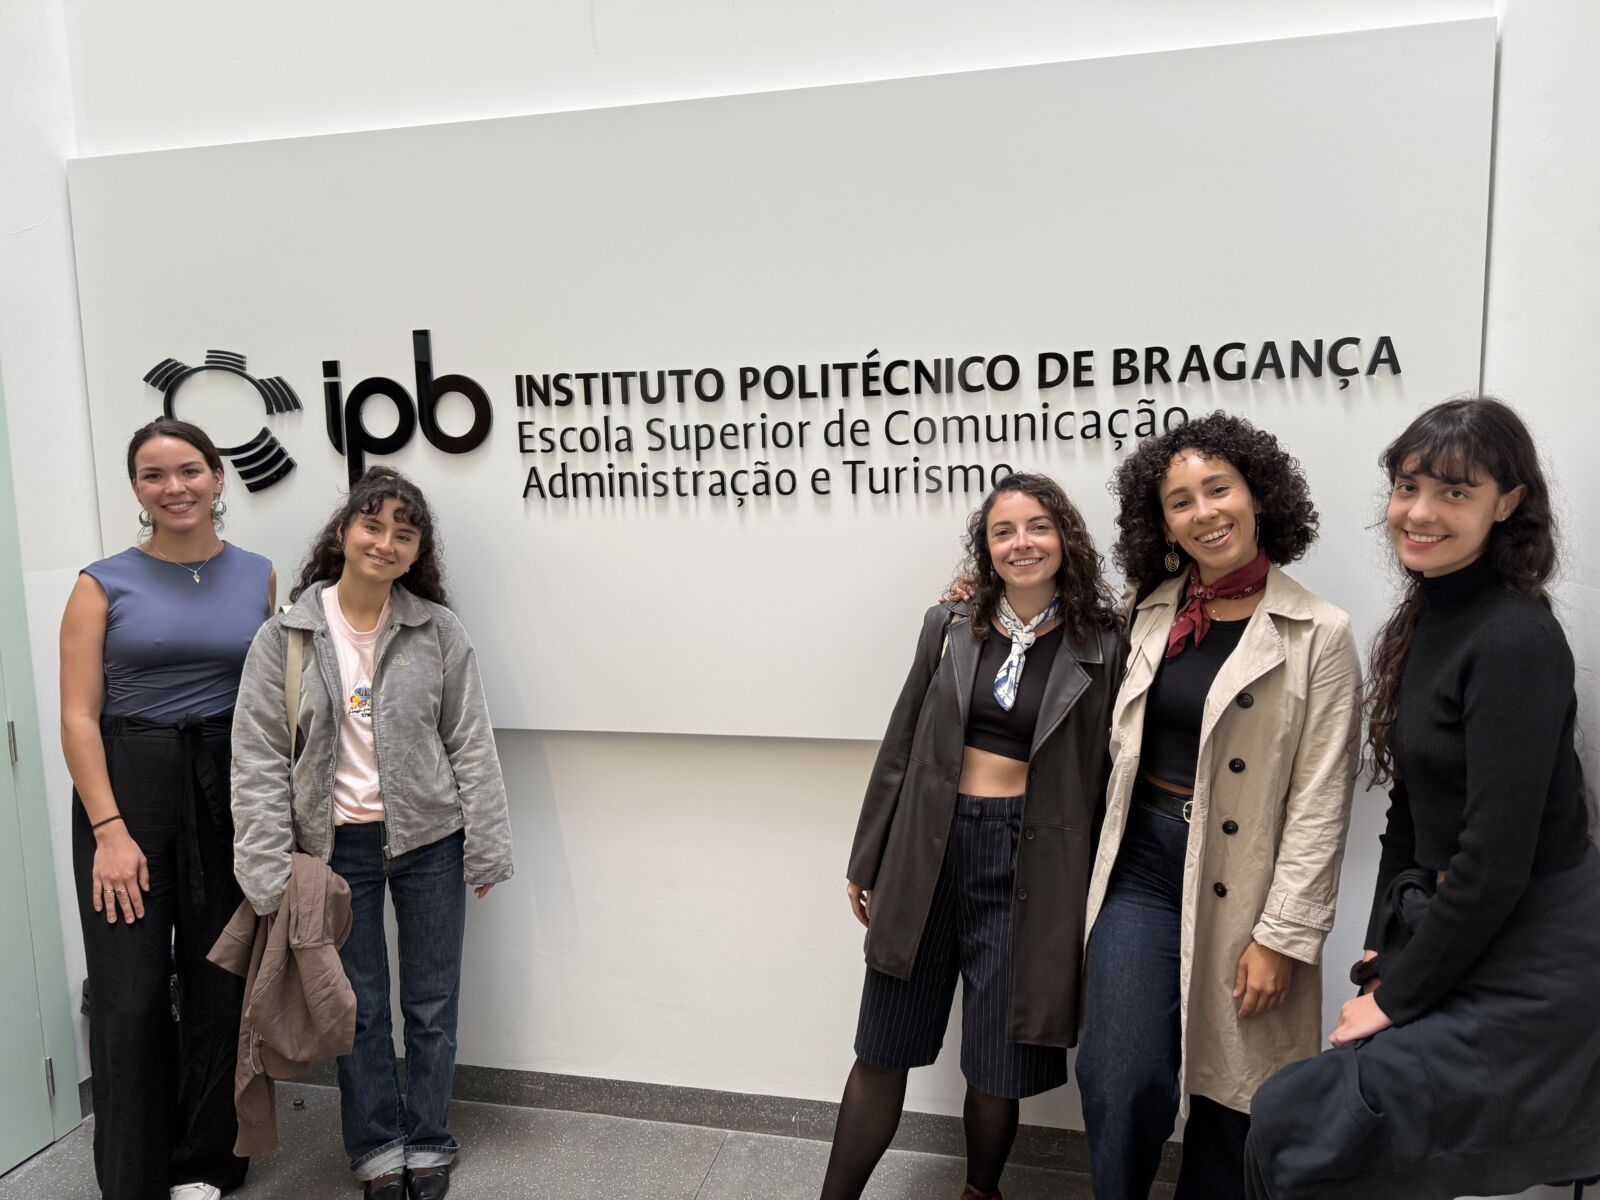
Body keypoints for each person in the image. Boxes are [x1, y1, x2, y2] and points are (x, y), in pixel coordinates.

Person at [1243, 398, 1600, 1198]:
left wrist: (1398, 998)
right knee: (1304, 1122)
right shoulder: (1426, 616)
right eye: (1408, 487)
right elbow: (1409, 820)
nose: (1420, 513)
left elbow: (1495, 861)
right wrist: (1381, 961)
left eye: (1454, 492)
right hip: (1462, 924)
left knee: (1297, 1120)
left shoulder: (1514, 639)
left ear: (1507, 504)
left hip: (1534, 954)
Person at [1074, 412, 1362, 1200]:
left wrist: (1285, 937)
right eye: (1180, 501)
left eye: (1219, 489)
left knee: (1235, 1096)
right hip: (1142, 866)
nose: (1204, 512)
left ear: (1258, 496)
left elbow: (1322, 800)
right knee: (1120, 1077)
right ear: (1161, 522)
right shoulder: (1151, 610)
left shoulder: (1320, 632)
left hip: (1251, 884)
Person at [821, 473, 1125, 1200]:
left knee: (997, 1060)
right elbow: (901, 747)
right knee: (882, 1044)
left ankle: (980, 1193)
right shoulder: (949, 625)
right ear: (985, 550)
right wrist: (868, 858)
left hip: (1033, 861)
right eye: (1004, 532)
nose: (1022, 543)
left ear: (1066, 539)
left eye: (1038, 527)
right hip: (928, 849)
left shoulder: (1105, 644)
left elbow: (1113, 774)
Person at [230, 467, 514, 1200]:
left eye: (404, 533)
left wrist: (486, 841)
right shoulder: (286, 636)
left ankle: (428, 1138)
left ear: (418, 552)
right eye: (373, 525)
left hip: (429, 841)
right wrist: (264, 869)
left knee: (432, 1003)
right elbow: (257, 755)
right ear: (343, 532)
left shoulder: (436, 631)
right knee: (353, 1007)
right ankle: (378, 1147)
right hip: (333, 852)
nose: (385, 542)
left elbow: (470, 743)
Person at [60, 418, 274, 1200]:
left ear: (218, 478)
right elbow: (78, 716)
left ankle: (206, 1164)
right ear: (137, 491)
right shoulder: (100, 582)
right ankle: (134, 1175)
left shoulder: (258, 576)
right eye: (153, 475)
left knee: (220, 979)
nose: (173, 487)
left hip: (227, 784)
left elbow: (266, 697)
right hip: (129, 786)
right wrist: (110, 832)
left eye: (188, 470)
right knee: (131, 993)